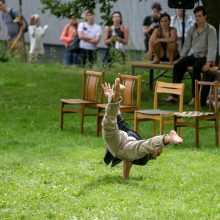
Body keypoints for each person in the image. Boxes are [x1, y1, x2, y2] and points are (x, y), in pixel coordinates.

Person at [102, 79, 183, 180]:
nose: (155, 158)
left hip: (122, 138)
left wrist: (111, 98)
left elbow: (118, 118)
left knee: (109, 122)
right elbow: (129, 160)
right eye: (157, 154)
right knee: (145, 145)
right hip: (121, 145)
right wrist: (125, 178)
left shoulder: (134, 136)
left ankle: (116, 94)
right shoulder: (144, 157)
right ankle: (168, 138)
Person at [166, 6, 217, 106]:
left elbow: (212, 47)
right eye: (196, 16)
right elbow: (187, 45)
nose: (197, 18)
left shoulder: (211, 30)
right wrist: (181, 58)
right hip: (195, 55)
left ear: (205, 16)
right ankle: (174, 95)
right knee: (178, 65)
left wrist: (208, 63)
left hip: (205, 57)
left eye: (200, 16)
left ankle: (195, 97)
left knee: (196, 67)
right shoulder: (192, 29)